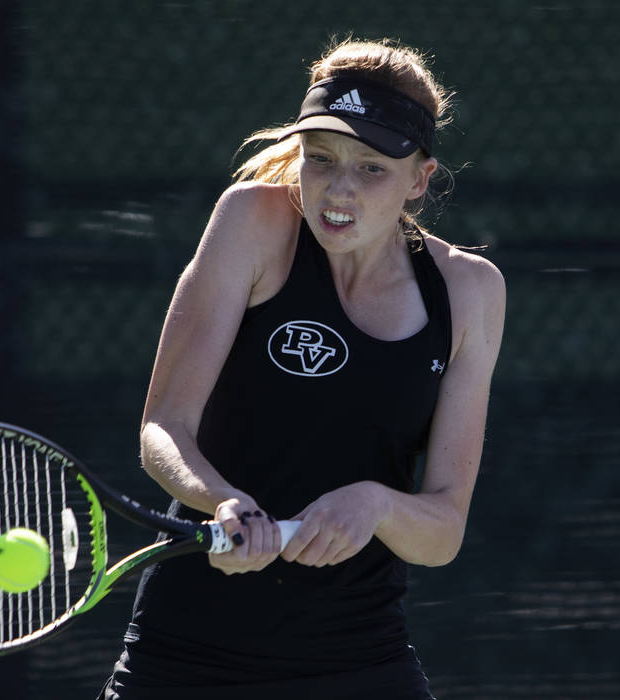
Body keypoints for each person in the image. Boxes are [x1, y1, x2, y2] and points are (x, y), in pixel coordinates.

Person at [99, 37, 505, 699]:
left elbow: (442, 531)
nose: (338, 188)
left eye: (371, 168)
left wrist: (374, 505)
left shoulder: (470, 292)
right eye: (321, 160)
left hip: (361, 660)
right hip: (187, 657)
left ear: (419, 178)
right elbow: (164, 429)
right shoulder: (251, 222)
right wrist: (223, 502)